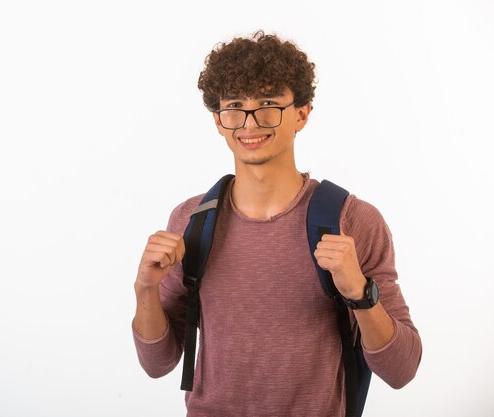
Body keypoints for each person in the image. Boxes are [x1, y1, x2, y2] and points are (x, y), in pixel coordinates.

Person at [131, 30, 422, 417]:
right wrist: (145, 289)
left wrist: (359, 292)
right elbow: (158, 364)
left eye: (268, 103)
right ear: (219, 120)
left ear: (302, 113)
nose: (250, 123)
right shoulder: (192, 220)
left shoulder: (351, 221)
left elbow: (401, 370)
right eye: (235, 106)